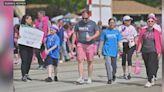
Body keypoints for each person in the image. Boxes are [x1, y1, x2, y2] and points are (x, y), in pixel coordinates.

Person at [72, 10, 100, 84]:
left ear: (89, 16)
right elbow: (74, 33)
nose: (84, 20)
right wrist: (72, 43)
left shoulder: (93, 23)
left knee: (90, 61)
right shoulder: (78, 24)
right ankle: (81, 77)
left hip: (90, 44)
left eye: (86, 18)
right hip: (80, 44)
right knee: (80, 60)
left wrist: (92, 37)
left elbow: (97, 32)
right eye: (83, 18)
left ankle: (89, 77)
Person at [136, 15, 162, 87]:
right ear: (147, 22)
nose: (150, 22)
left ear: (154, 23)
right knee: (147, 66)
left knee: (151, 65)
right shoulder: (143, 31)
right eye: (149, 21)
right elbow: (140, 41)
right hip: (144, 51)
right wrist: (138, 50)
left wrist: (159, 52)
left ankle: (149, 80)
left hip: (153, 51)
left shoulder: (157, 32)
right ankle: (151, 77)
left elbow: (159, 42)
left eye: (152, 21)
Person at [98, 18, 122, 84]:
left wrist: (121, 50)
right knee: (108, 64)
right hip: (106, 51)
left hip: (114, 51)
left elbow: (119, 42)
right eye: (110, 23)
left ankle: (113, 74)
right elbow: (101, 42)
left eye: (113, 23)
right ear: (108, 24)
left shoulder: (117, 32)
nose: (112, 24)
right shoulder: (105, 31)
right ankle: (109, 78)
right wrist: (99, 51)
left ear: (115, 24)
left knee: (114, 66)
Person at [118, 15, 138, 80]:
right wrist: (118, 45)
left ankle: (129, 74)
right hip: (123, 44)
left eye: (130, 20)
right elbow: (118, 36)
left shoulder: (132, 28)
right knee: (123, 59)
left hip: (131, 44)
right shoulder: (120, 27)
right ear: (124, 21)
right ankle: (124, 73)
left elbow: (135, 37)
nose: (129, 21)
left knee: (129, 58)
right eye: (127, 20)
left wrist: (137, 46)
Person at [18, 15, 33, 82]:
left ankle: (26, 74)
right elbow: (16, 35)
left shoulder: (31, 27)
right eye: (30, 19)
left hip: (30, 46)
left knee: (29, 61)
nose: (31, 20)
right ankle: (23, 75)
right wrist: (18, 36)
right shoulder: (20, 27)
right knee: (24, 61)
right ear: (26, 20)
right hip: (23, 47)